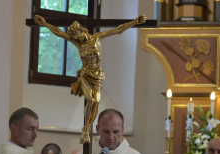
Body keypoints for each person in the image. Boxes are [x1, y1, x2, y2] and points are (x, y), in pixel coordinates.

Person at [34, 15, 146, 144]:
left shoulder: (97, 38)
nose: (77, 38)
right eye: (74, 36)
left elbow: (117, 30)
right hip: (85, 75)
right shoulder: (77, 43)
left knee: (96, 101)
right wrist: (45, 23)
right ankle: (86, 130)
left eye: (77, 34)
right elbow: (59, 33)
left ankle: (86, 128)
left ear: (82, 31)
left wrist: (135, 22)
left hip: (97, 75)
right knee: (91, 100)